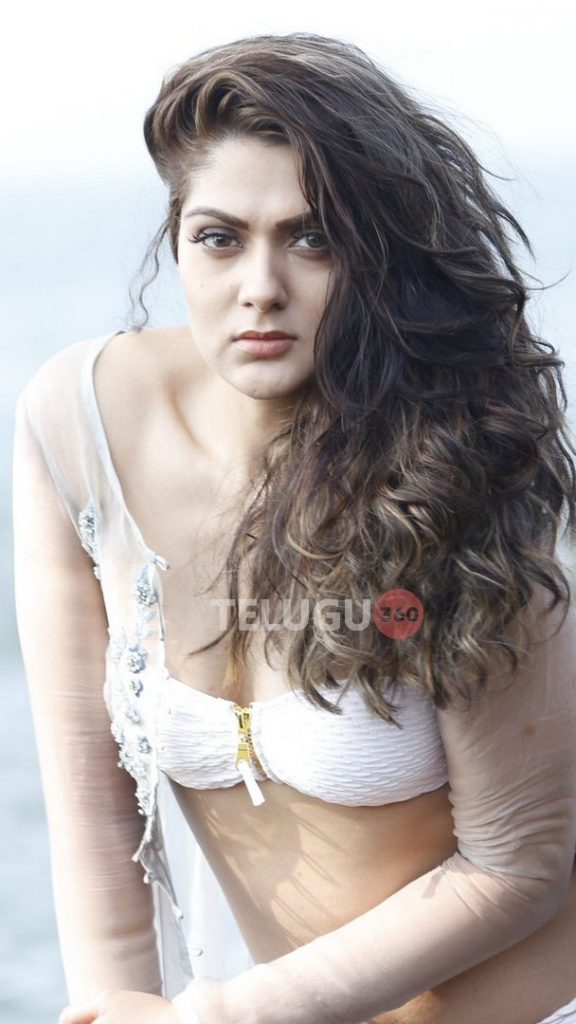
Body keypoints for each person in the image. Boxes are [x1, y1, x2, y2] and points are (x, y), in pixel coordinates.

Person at [12, 30, 576, 1024]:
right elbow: (91, 804)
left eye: (312, 239)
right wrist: (114, 1007)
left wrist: (228, 1016)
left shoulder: (457, 472)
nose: (261, 287)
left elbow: (521, 861)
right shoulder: (82, 424)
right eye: (220, 238)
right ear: (177, 241)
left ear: (380, 258)